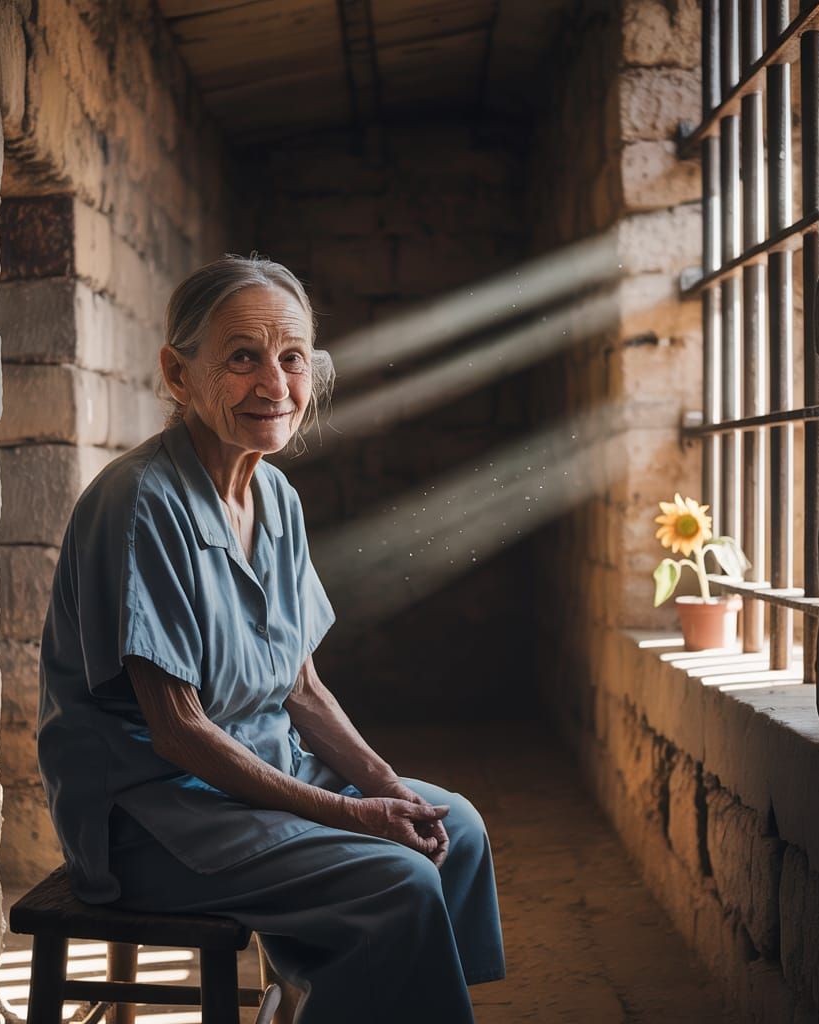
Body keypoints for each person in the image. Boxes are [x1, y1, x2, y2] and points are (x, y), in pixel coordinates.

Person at [36, 254, 506, 1023]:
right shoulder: (141, 502)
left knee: (456, 829)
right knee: (398, 880)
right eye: (242, 358)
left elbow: (302, 687)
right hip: (157, 816)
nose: (275, 385)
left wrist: (385, 786)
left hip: (262, 773)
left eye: (292, 358)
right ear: (179, 373)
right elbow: (178, 732)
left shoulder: (276, 496)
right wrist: (352, 815)